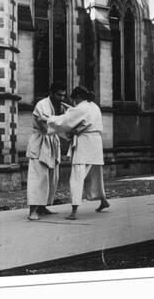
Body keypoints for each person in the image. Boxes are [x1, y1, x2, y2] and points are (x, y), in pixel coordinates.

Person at [46, 86, 110, 220]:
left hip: (85, 144)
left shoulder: (81, 108)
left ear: (78, 97)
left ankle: (74, 211)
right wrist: (71, 110)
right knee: (96, 175)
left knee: (77, 176)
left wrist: (48, 119)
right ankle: (103, 200)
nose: (73, 102)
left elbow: (66, 121)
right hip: (96, 143)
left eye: (74, 99)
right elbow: (81, 118)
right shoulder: (94, 106)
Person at [25, 81, 67, 221]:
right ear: (51, 93)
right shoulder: (41, 105)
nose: (61, 98)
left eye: (63, 95)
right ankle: (33, 211)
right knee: (37, 178)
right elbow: (44, 127)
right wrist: (61, 125)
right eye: (59, 95)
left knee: (51, 177)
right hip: (40, 142)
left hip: (53, 142)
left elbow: (62, 123)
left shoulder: (60, 106)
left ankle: (42, 206)